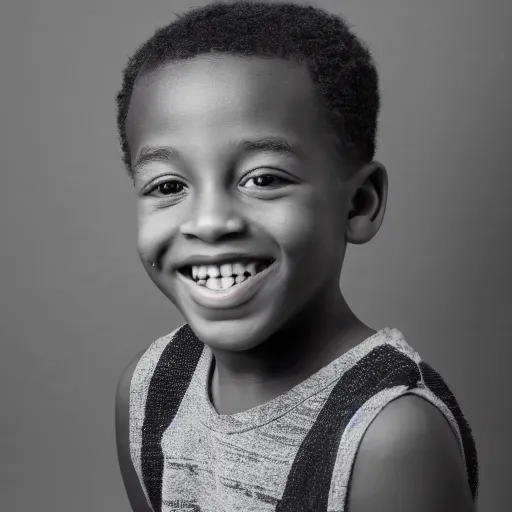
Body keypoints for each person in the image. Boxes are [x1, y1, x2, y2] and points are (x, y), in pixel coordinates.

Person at [114, 2, 479, 511]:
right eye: (169, 185)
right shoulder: (150, 388)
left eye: (263, 179)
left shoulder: (388, 435)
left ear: (359, 203)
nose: (209, 221)